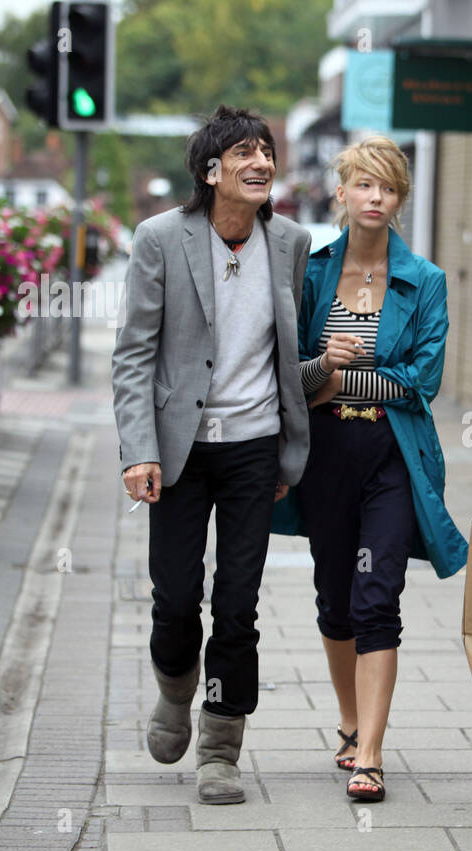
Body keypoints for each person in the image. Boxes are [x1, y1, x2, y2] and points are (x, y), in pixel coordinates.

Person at [112, 105, 312, 805]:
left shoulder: (290, 241)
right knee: (175, 599)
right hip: (179, 453)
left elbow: (288, 354)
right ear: (211, 170)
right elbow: (134, 353)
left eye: (268, 151)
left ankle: (220, 747)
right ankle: (174, 687)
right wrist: (138, 450)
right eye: (245, 153)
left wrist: (303, 420)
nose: (262, 163)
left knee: (237, 606)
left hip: (255, 448)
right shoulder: (161, 239)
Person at [271, 136, 467, 802]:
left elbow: (424, 381)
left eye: (388, 188)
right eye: (364, 185)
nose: (375, 198)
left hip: (392, 456)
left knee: (376, 595)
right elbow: (287, 373)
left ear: (401, 198)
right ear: (342, 192)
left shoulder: (426, 281)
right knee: (335, 597)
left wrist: (351, 376)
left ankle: (372, 755)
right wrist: (326, 369)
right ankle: (351, 723)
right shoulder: (313, 272)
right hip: (324, 456)